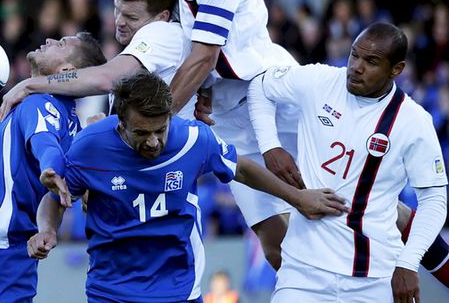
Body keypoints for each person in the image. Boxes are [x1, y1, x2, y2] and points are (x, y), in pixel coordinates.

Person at [127, 0, 449, 282]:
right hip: (224, 113)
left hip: (273, 93)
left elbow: (205, 55)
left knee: (349, 201)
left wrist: (158, 119)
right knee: (277, 247)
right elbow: (158, 47)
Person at [28, 72, 348, 303]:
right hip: (111, 289)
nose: (153, 141)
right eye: (142, 132)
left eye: (160, 129)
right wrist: (48, 229)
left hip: (178, 287)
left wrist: (298, 198)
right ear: (120, 124)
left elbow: (242, 168)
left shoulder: (193, 139)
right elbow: (56, 195)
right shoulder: (90, 147)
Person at [247, 23, 448, 302]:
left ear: (396, 70)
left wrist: (408, 261)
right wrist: (271, 147)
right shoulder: (320, 80)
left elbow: (435, 200)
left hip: (373, 278)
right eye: (355, 55)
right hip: (302, 272)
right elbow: (260, 87)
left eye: (371, 61)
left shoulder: (414, 122)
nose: (356, 67)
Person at [0, 32, 106, 303]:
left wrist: (50, 168)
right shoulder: (71, 125)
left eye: (61, 44)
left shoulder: (41, 102)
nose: (48, 41)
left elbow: (45, 144)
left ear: (67, 71)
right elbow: (59, 194)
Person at [0, 0, 195, 123]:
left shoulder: (164, 32)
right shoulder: (147, 42)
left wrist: (31, 85)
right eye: (118, 10)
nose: (119, 22)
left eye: (131, 17)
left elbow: (107, 78)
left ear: (162, 17)